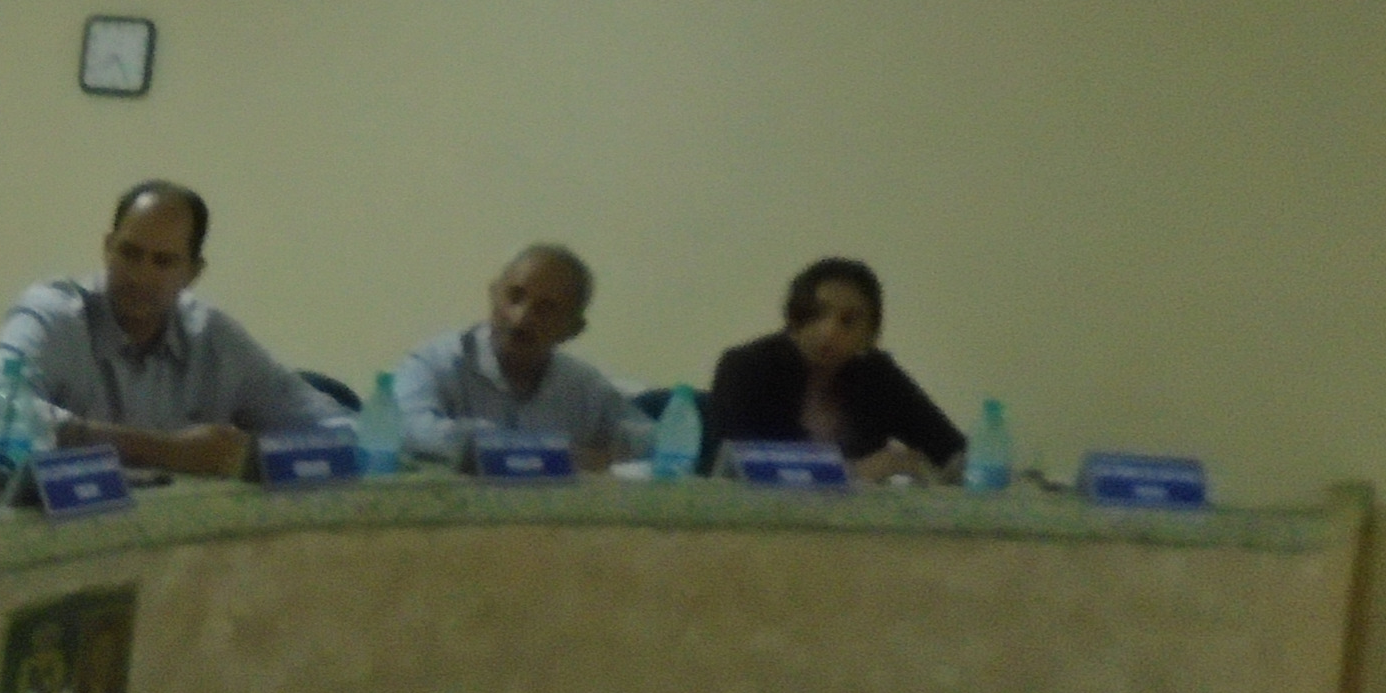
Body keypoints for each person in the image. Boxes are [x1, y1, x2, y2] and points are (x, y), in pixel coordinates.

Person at [0, 182, 342, 478]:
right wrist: (170, 451)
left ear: (193, 273)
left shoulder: (213, 338)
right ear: (107, 247)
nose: (140, 276)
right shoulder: (53, 315)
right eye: (129, 253)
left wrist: (250, 457)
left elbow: (341, 431)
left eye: (163, 262)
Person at [704, 257, 967, 483]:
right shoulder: (746, 367)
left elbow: (953, 452)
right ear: (794, 317)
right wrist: (854, 472)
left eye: (848, 321)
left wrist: (925, 465)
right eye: (817, 314)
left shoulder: (877, 375)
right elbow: (734, 471)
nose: (829, 331)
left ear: (869, 335)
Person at [391, 246, 653, 470]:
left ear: (573, 330)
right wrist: (529, 452)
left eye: (545, 309)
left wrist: (608, 458)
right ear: (494, 294)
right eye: (514, 297)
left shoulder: (585, 387)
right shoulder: (435, 363)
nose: (521, 318)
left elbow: (658, 444)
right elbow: (403, 430)